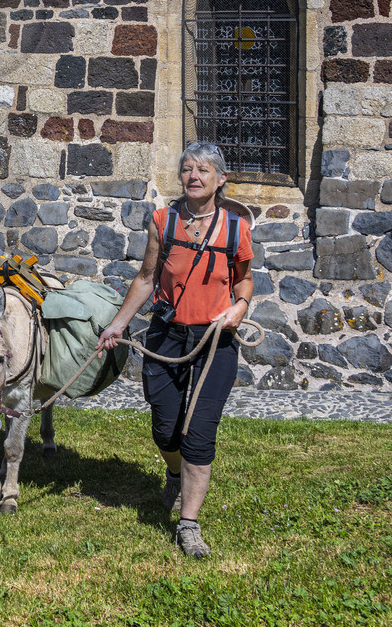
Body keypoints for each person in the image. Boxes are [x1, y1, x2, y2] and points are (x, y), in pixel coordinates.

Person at [97, 141, 254, 558]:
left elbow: (244, 282)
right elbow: (147, 278)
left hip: (214, 343)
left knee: (198, 436)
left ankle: (189, 524)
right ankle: (172, 472)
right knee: (165, 429)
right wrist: (117, 325)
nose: (194, 177)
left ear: (221, 179)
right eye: (187, 169)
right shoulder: (163, 222)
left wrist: (239, 308)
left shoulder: (236, 227)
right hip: (166, 336)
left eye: (204, 170)